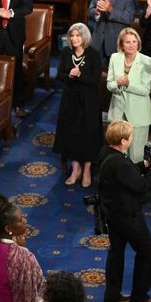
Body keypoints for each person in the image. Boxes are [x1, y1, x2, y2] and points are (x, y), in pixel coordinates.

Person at [97, 120, 151, 302]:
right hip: (127, 215)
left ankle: (112, 294)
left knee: (116, 251)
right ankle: (139, 296)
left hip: (112, 212)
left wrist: (144, 164)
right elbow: (141, 186)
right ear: (124, 141)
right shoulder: (119, 162)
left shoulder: (106, 153)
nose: (133, 139)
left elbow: (127, 172)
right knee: (146, 250)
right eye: (131, 136)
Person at [54, 23, 103, 188]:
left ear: (84, 37)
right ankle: (75, 169)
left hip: (89, 101)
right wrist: (69, 75)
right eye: (72, 36)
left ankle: (87, 169)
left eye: (77, 35)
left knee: (88, 134)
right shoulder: (66, 52)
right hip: (70, 99)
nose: (74, 39)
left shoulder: (94, 54)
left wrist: (80, 75)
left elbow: (96, 80)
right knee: (71, 133)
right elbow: (59, 74)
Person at [106, 28, 151, 165]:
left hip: (139, 114)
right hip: (118, 113)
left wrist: (128, 85)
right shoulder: (115, 58)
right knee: (118, 155)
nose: (131, 45)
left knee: (137, 156)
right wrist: (117, 83)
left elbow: (146, 89)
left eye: (134, 42)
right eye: (127, 42)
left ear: (138, 43)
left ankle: (135, 182)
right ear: (121, 44)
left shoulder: (146, 61)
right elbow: (109, 85)